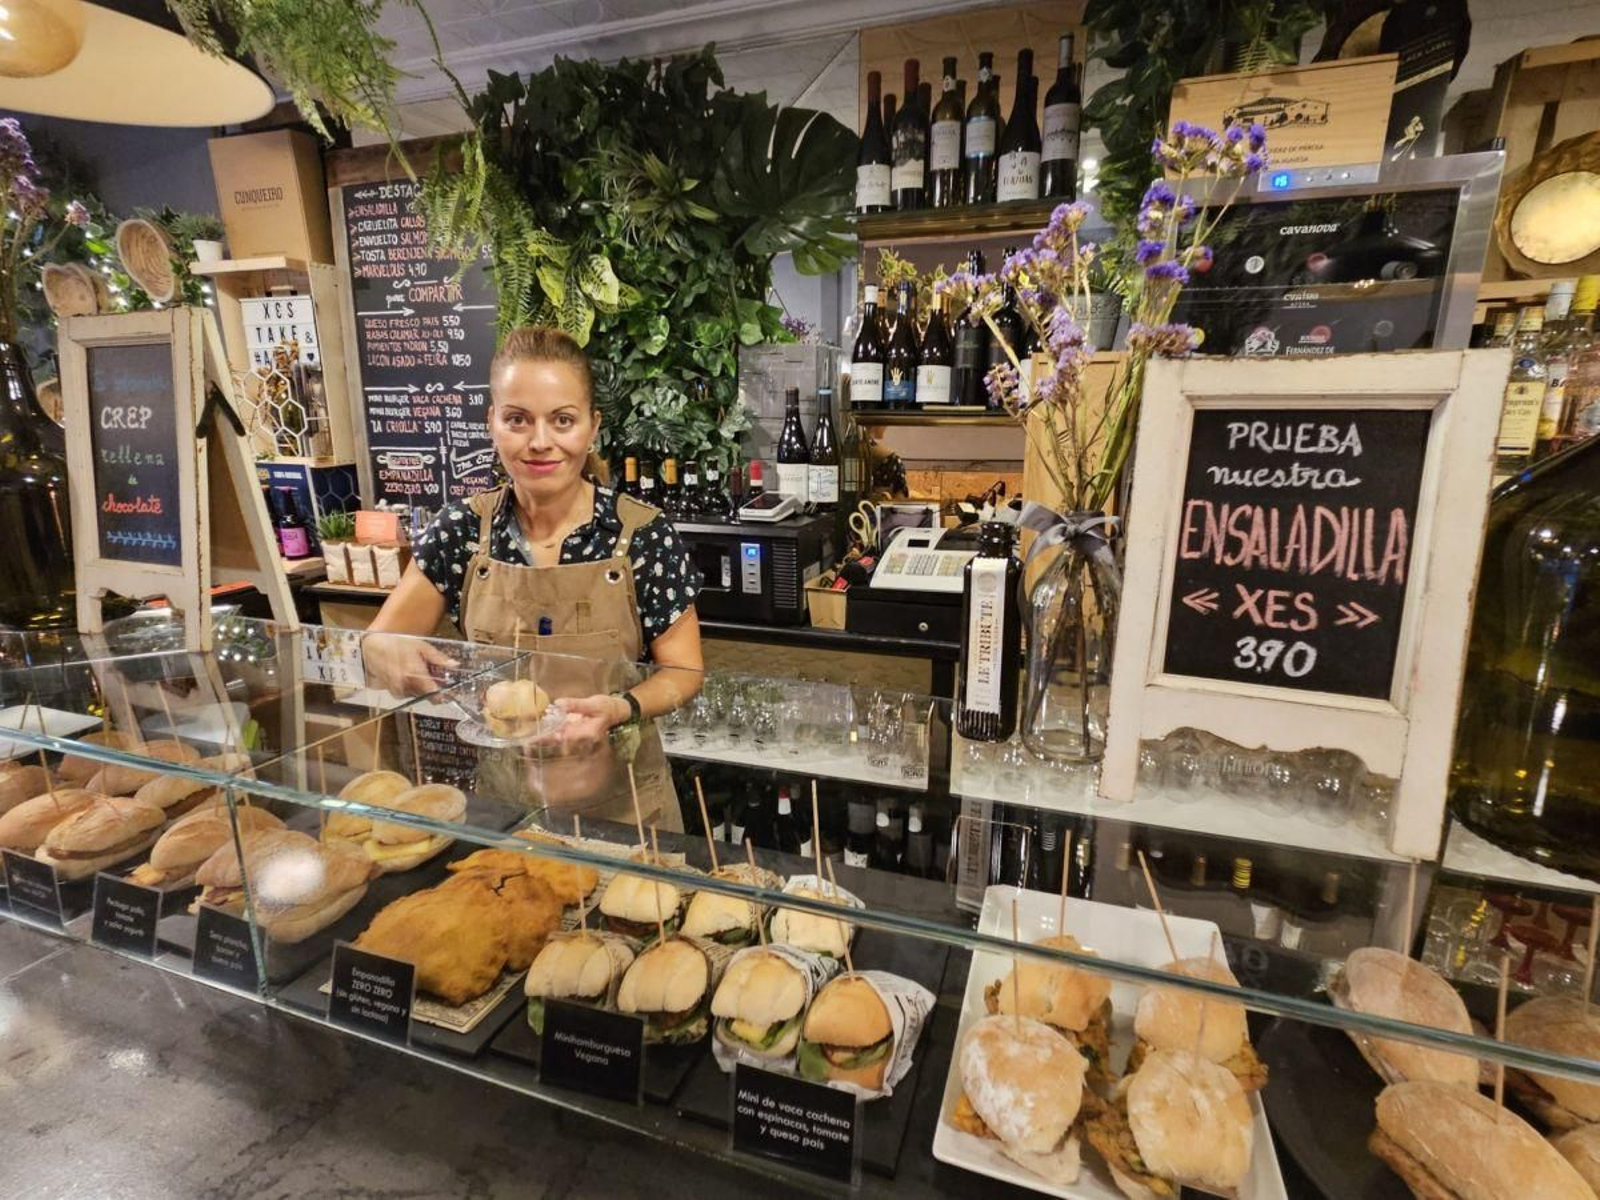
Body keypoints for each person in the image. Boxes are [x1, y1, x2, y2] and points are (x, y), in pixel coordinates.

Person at [364, 326, 703, 830]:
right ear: (492, 423)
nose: (540, 442)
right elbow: (377, 641)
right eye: (518, 420)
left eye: (562, 420)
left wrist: (619, 708)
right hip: (509, 808)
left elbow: (685, 673)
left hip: (629, 809)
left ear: (592, 426)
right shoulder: (461, 531)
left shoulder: (642, 534)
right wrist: (387, 653)